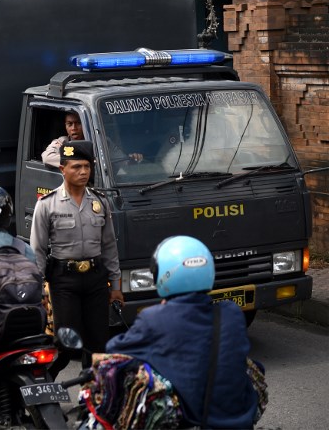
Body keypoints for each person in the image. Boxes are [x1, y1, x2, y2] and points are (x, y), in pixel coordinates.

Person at [106, 236, 260, 429]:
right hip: (240, 424)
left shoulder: (153, 318)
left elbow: (114, 352)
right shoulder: (231, 313)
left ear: (163, 275)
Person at [30, 140, 124, 376]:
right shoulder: (47, 204)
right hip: (64, 281)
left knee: (97, 343)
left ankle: (89, 395)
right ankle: (45, 385)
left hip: (95, 279)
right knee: (67, 341)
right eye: (76, 167)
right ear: (63, 169)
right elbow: (38, 250)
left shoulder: (99, 202)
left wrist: (116, 286)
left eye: (87, 167)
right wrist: (39, 290)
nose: (83, 172)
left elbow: (109, 247)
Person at [42, 111, 143, 169]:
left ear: (85, 124)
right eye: (70, 124)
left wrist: (132, 159)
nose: (74, 128)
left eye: (78, 123)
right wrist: (79, 160)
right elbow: (47, 157)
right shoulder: (61, 142)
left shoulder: (102, 142)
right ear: (65, 126)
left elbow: (122, 162)